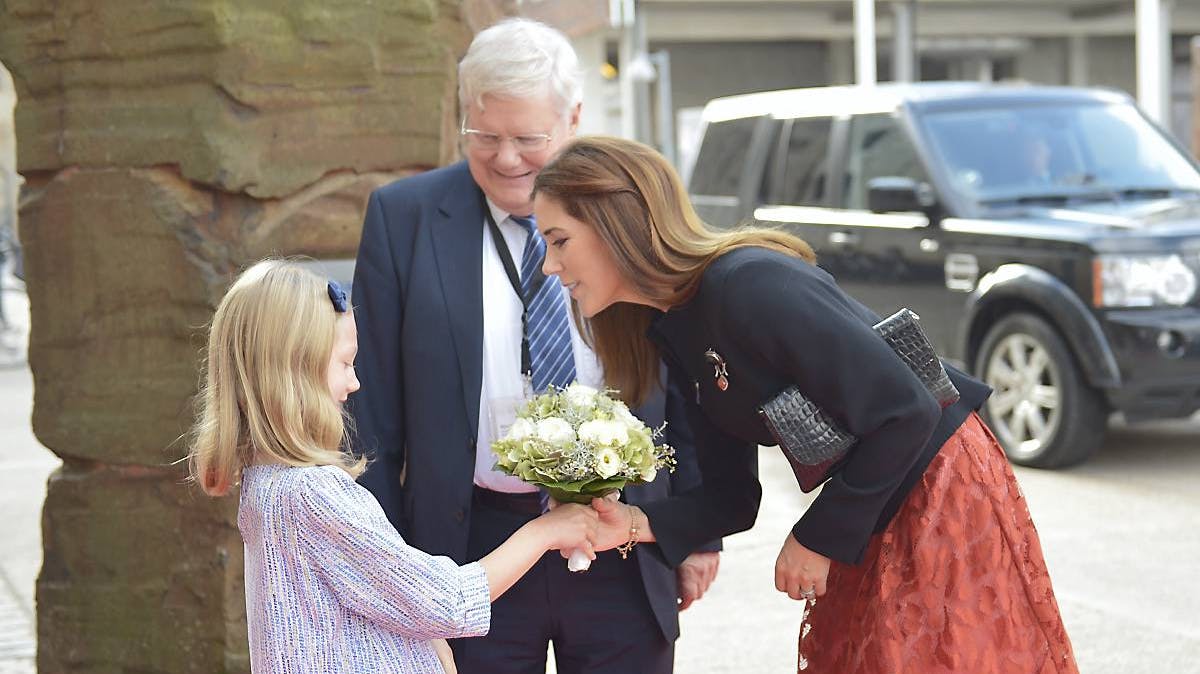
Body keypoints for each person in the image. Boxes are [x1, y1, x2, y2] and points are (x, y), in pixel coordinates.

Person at [531, 136, 1080, 673]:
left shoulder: (749, 281)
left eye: (559, 241)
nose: (549, 267)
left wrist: (816, 538)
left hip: (935, 479)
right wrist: (629, 521)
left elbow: (906, 410)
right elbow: (730, 498)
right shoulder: (674, 326)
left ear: (614, 224)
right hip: (870, 491)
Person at [349, 18, 718, 674]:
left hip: (622, 538)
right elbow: (370, 407)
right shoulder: (403, 218)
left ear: (573, 118)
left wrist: (695, 528)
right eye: (484, 137)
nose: (507, 158)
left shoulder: (631, 208)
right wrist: (391, 566)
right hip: (468, 548)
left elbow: (685, 378)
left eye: (527, 138)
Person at [186, 260, 601, 673]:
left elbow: (380, 594)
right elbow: (447, 600)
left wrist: (424, 630)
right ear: (297, 369)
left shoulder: (268, 485)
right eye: (345, 363)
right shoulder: (311, 494)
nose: (355, 383)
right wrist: (545, 531)